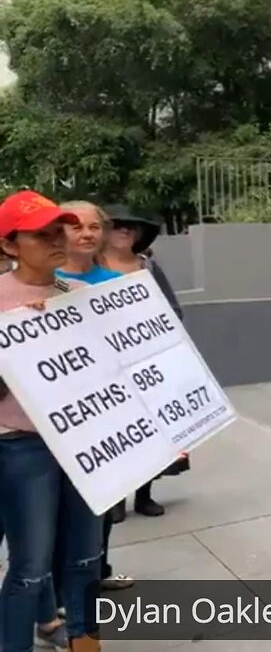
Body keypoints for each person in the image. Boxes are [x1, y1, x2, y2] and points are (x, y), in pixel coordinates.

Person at [0, 190, 105, 652]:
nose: (56, 241)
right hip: (23, 448)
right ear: (9, 245)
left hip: (85, 443)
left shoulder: (83, 296)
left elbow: (120, 371)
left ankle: (82, 636)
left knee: (86, 555)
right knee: (31, 566)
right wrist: (26, 343)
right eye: (40, 235)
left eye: (57, 231)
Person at [55, 202, 137, 597]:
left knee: (102, 502)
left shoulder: (117, 284)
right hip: (56, 421)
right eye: (75, 227)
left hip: (109, 413)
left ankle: (97, 570)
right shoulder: (41, 284)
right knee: (58, 514)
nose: (86, 234)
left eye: (93, 227)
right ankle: (55, 596)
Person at [98, 203, 188, 517]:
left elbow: (173, 309)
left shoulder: (147, 267)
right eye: (117, 225)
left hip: (147, 362)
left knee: (152, 430)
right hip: (103, 367)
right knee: (116, 431)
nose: (124, 231)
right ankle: (117, 499)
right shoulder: (90, 267)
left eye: (130, 227)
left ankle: (145, 494)